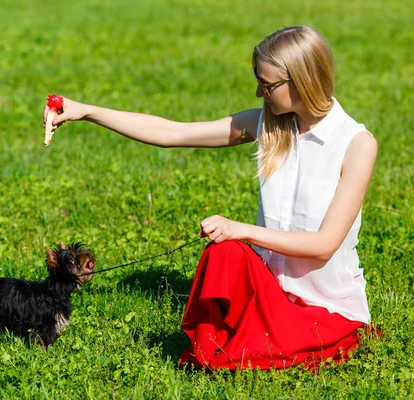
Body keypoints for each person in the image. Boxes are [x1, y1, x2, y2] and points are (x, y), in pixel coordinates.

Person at [43, 26, 378, 371]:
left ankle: (265, 337)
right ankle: (246, 337)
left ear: (302, 81)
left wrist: (242, 230)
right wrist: (84, 110)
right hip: (269, 295)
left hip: (325, 308)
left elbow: (324, 244)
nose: (258, 91)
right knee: (225, 253)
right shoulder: (269, 124)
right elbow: (173, 132)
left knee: (236, 254)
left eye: (266, 85)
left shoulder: (356, 144)